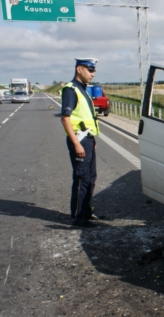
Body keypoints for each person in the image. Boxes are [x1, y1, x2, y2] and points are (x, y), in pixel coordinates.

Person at [61, 58, 101, 228]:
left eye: (94, 71)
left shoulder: (82, 89)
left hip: (88, 139)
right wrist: (76, 144)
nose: (93, 74)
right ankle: (78, 218)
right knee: (81, 179)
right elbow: (65, 119)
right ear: (79, 69)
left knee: (90, 178)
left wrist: (92, 139)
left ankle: (86, 211)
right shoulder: (71, 90)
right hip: (79, 140)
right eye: (90, 70)